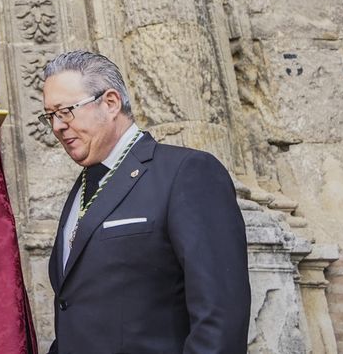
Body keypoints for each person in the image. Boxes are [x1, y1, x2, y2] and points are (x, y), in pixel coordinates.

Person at [39, 50, 249, 354]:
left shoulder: (186, 172)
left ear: (110, 103)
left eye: (66, 111)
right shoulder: (83, 187)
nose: (57, 126)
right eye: (50, 116)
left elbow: (220, 316)